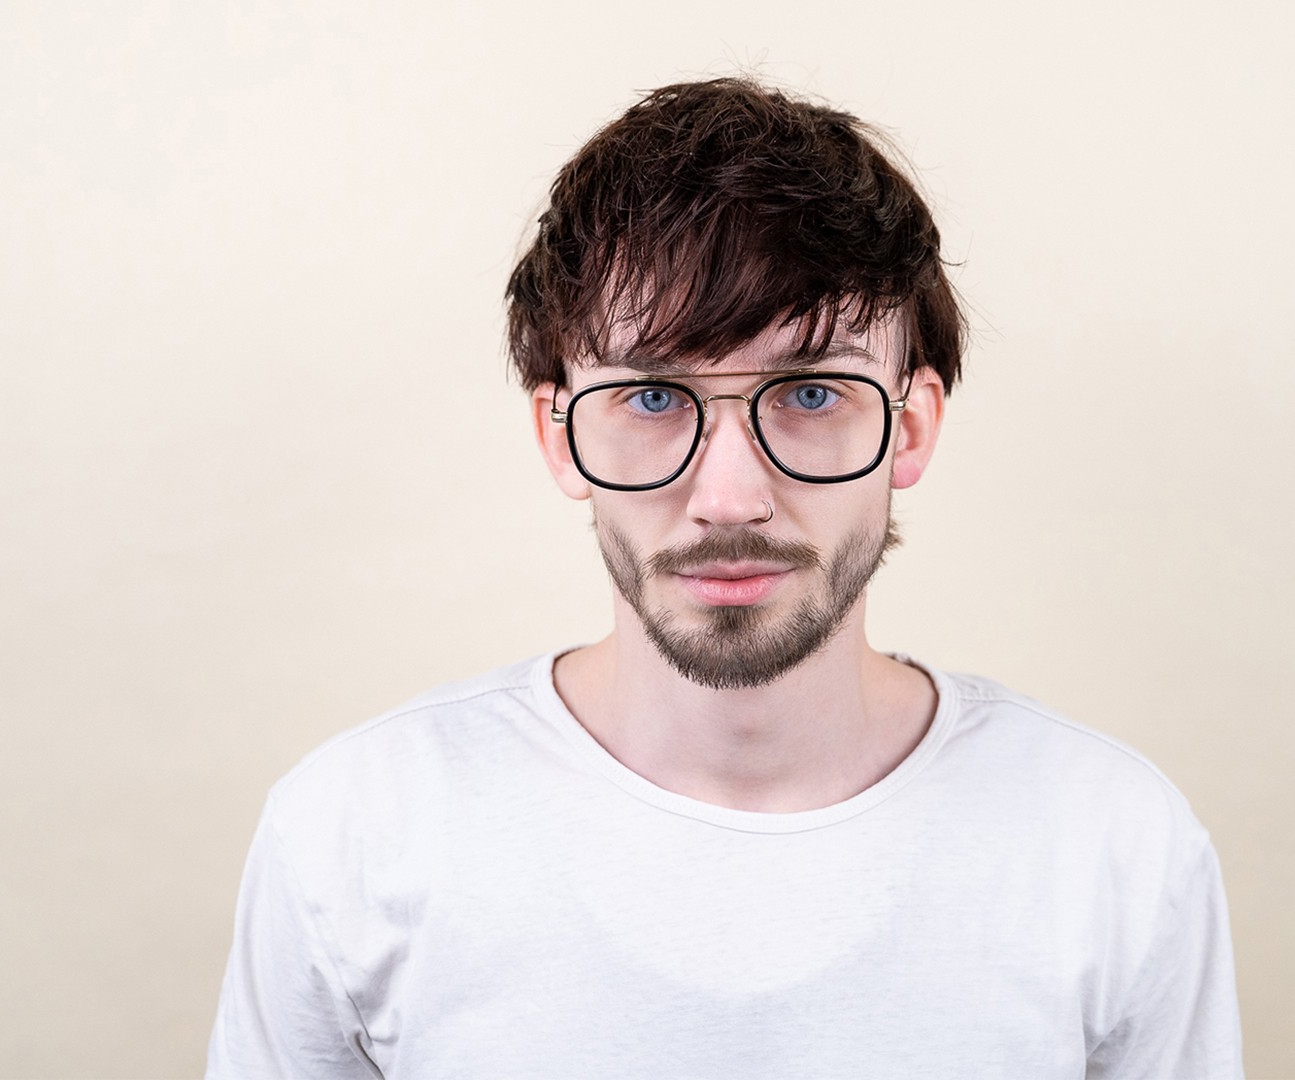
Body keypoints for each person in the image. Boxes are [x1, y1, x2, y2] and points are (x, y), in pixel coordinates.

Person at [206, 77, 1242, 1078]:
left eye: (811, 392)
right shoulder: (354, 833)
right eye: (655, 397)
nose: (732, 498)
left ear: (913, 427)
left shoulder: (1113, 845)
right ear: (559, 436)